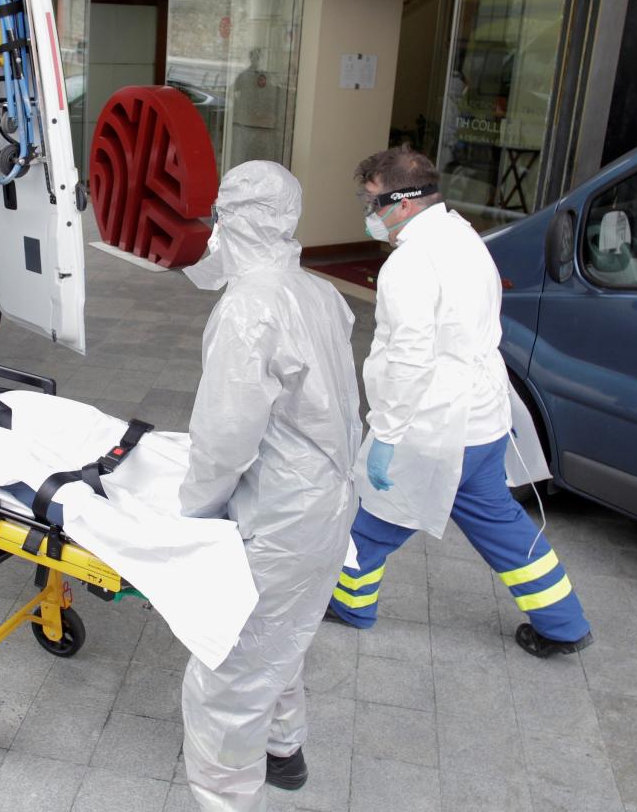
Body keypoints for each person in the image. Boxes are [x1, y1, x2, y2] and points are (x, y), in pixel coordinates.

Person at [326, 145, 593, 659]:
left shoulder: (409, 264)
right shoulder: (463, 235)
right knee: (500, 521)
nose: (368, 213)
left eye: (372, 201)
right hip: (483, 418)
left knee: (370, 523)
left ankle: (351, 606)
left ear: (403, 203)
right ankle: (563, 623)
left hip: (431, 425)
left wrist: (386, 434)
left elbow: (408, 358)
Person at [177, 161, 361, 811]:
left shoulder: (249, 311)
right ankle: (285, 751)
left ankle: (229, 798)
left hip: (281, 511)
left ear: (228, 221)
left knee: (229, 670)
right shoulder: (319, 292)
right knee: (283, 634)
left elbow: (226, 437)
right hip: (327, 499)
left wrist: (189, 515)